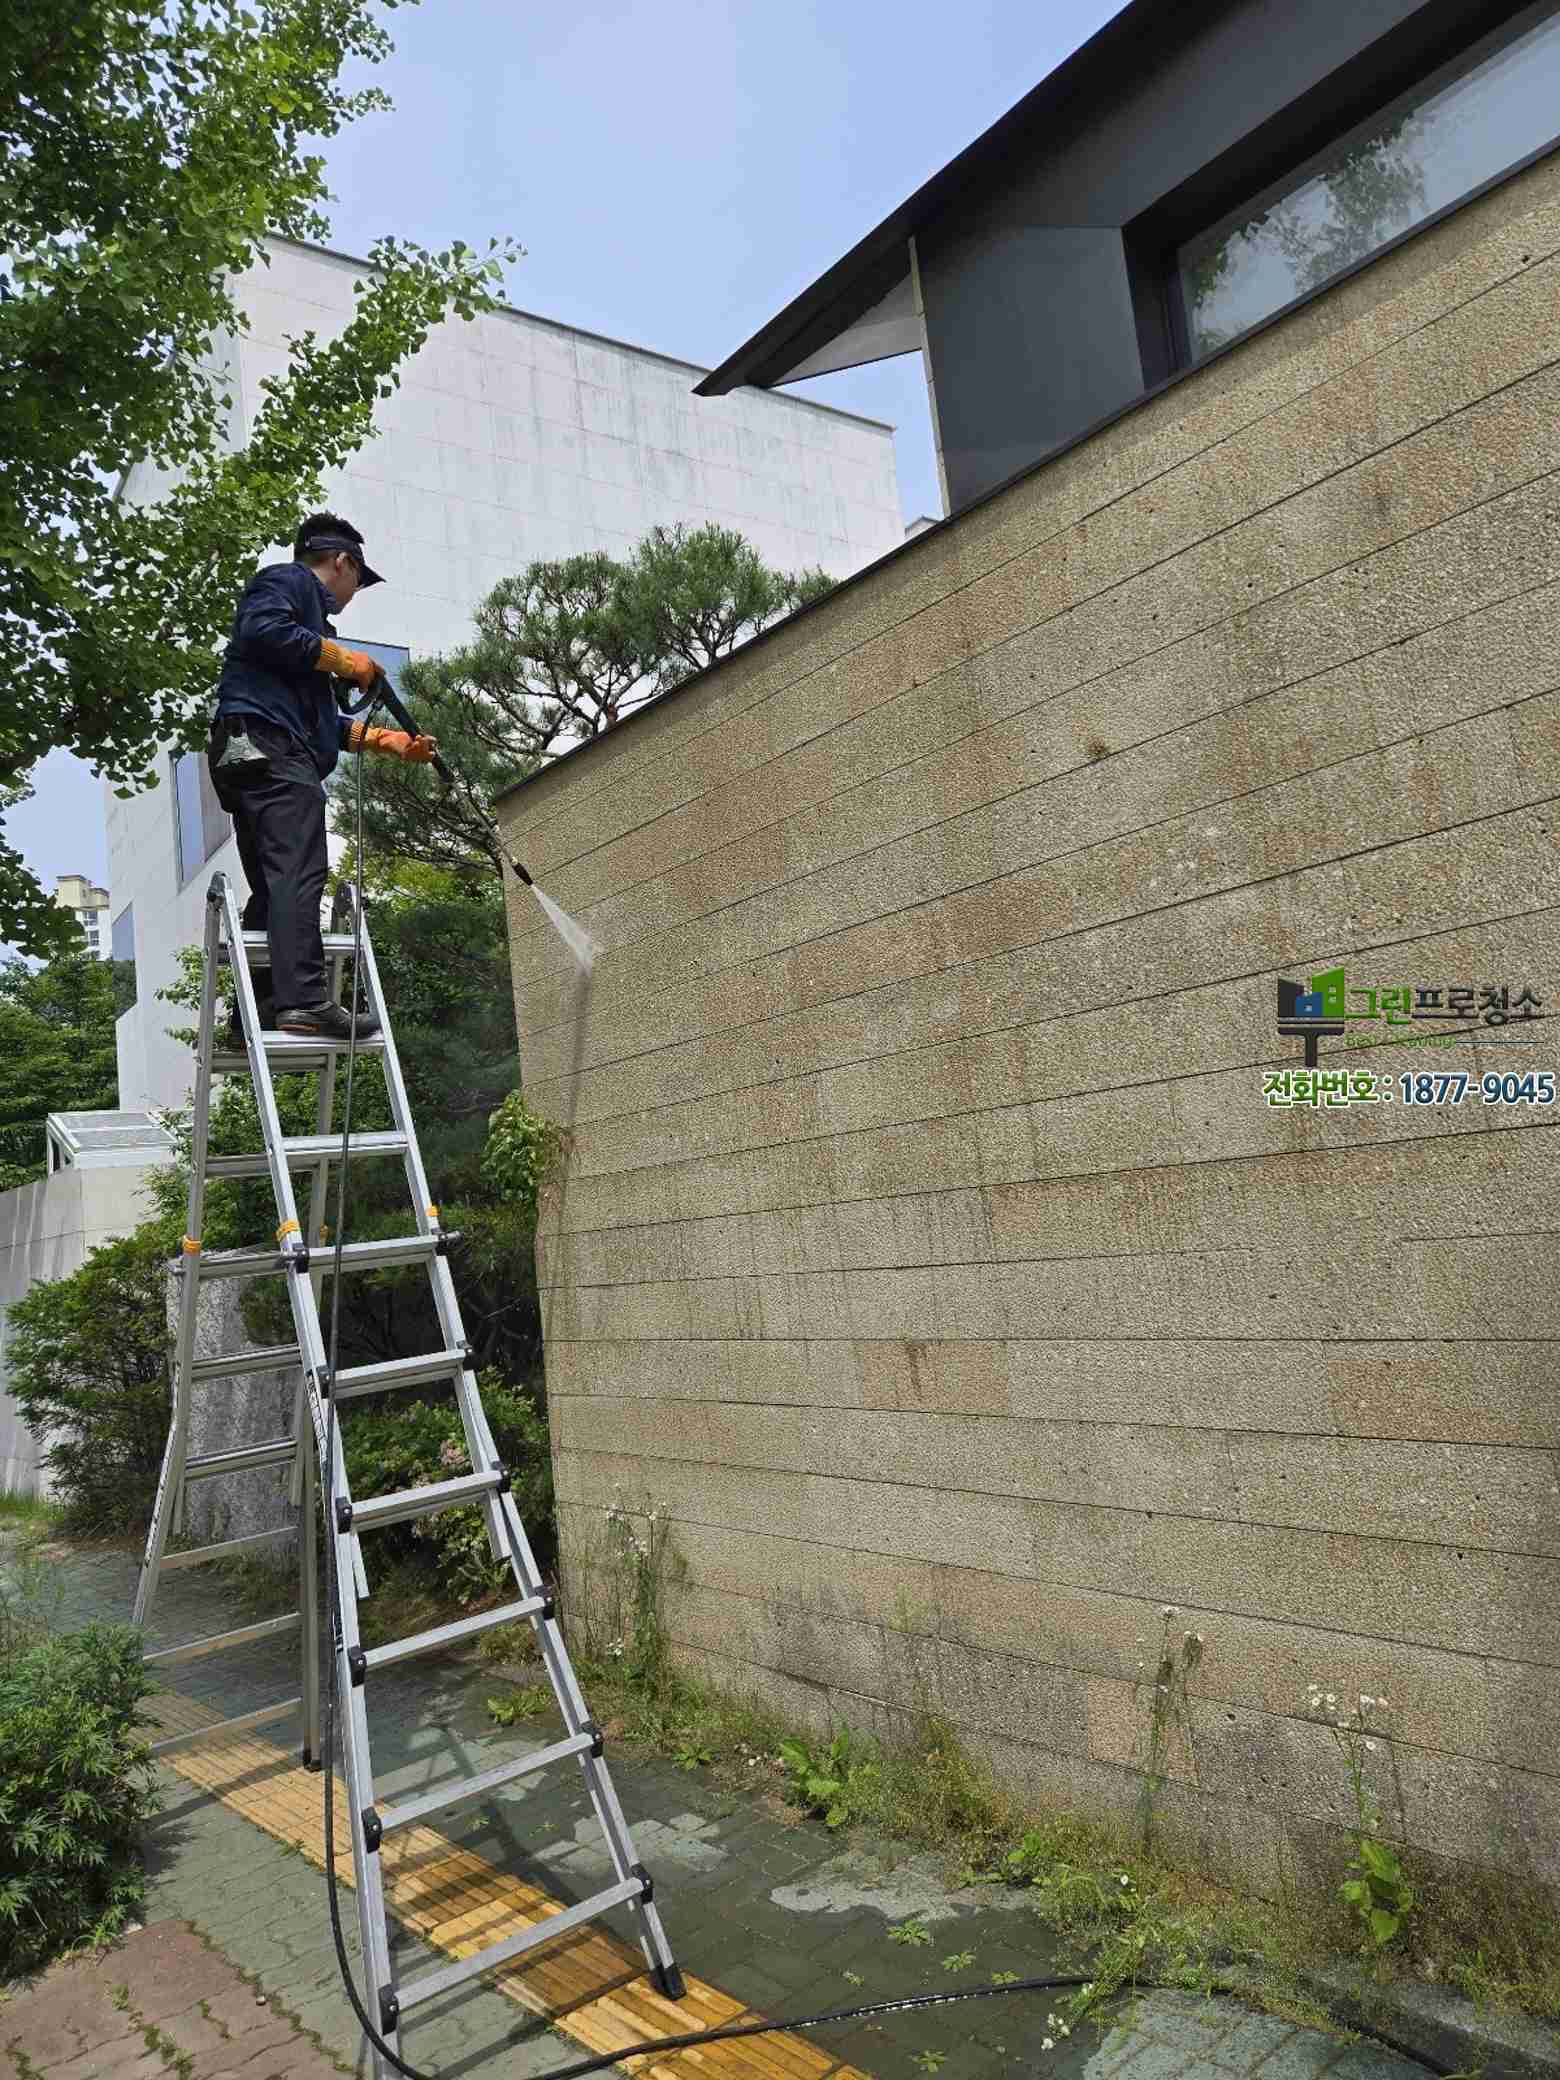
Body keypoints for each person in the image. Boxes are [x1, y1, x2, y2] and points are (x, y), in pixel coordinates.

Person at [208, 512, 437, 1044]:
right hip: (268, 747)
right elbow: (262, 629)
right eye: (358, 580)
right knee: (301, 871)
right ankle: (305, 1001)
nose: (355, 593)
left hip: (254, 750)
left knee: (273, 883)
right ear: (343, 563)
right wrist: (341, 659)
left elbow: (317, 724)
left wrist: (389, 741)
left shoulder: (305, 639)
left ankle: (257, 1012)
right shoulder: (288, 582)